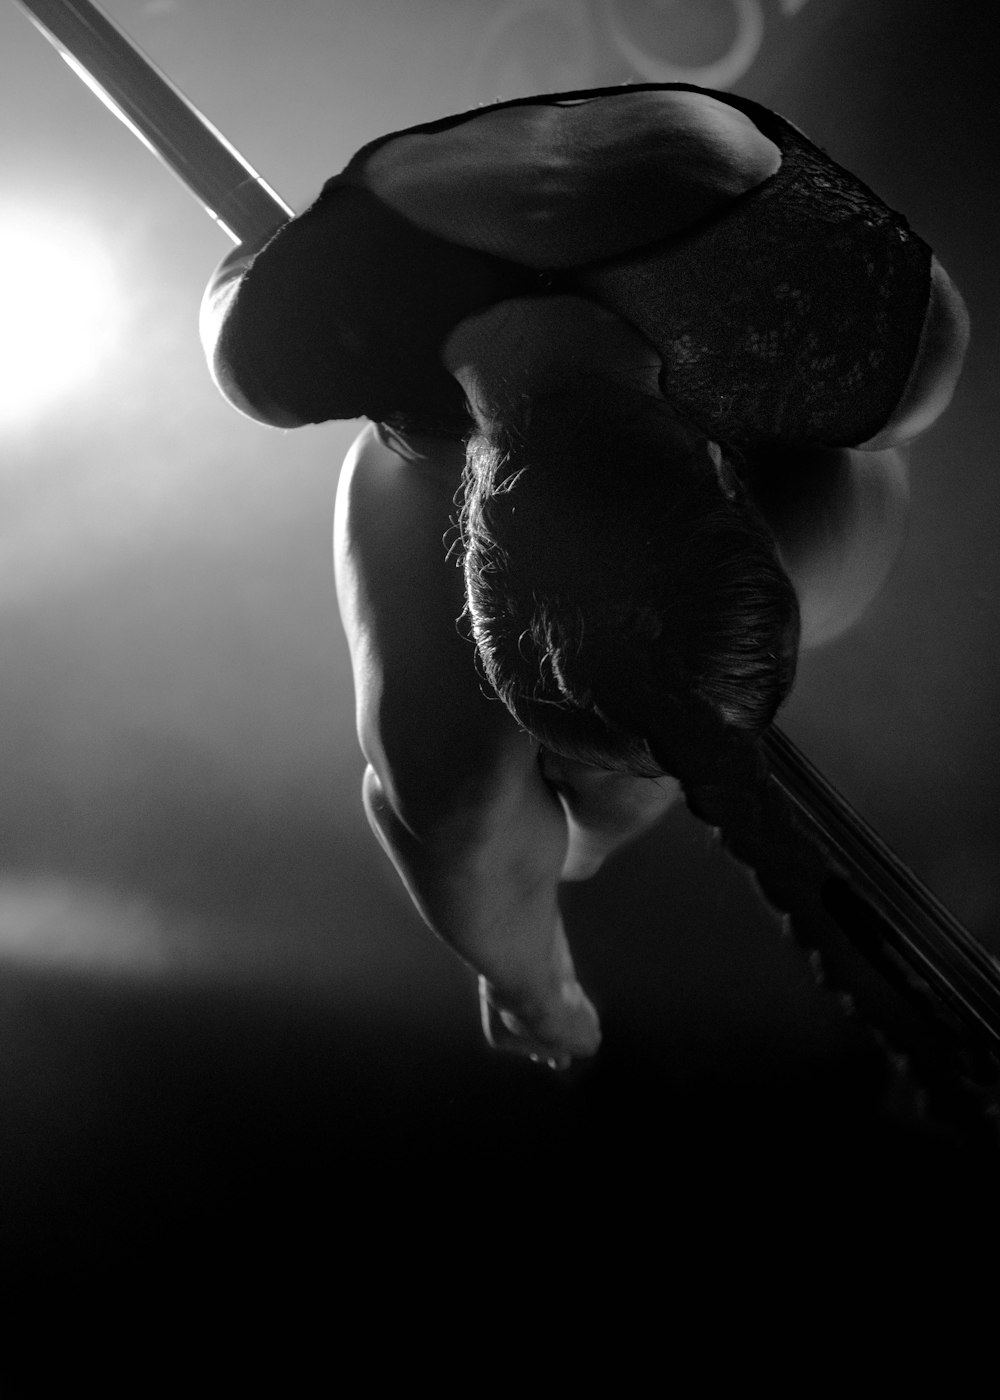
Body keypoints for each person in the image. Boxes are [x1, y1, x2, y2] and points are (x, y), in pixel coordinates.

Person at [201, 83, 969, 1069]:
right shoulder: (295, 333)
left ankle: (611, 806)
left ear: (714, 470)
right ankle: (538, 981)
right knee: (451, 799)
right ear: (472, 548)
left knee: (717, 678)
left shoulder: (857, 341)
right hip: (446, 412)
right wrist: (522, 968)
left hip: (729, 346)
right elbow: (238, 274)